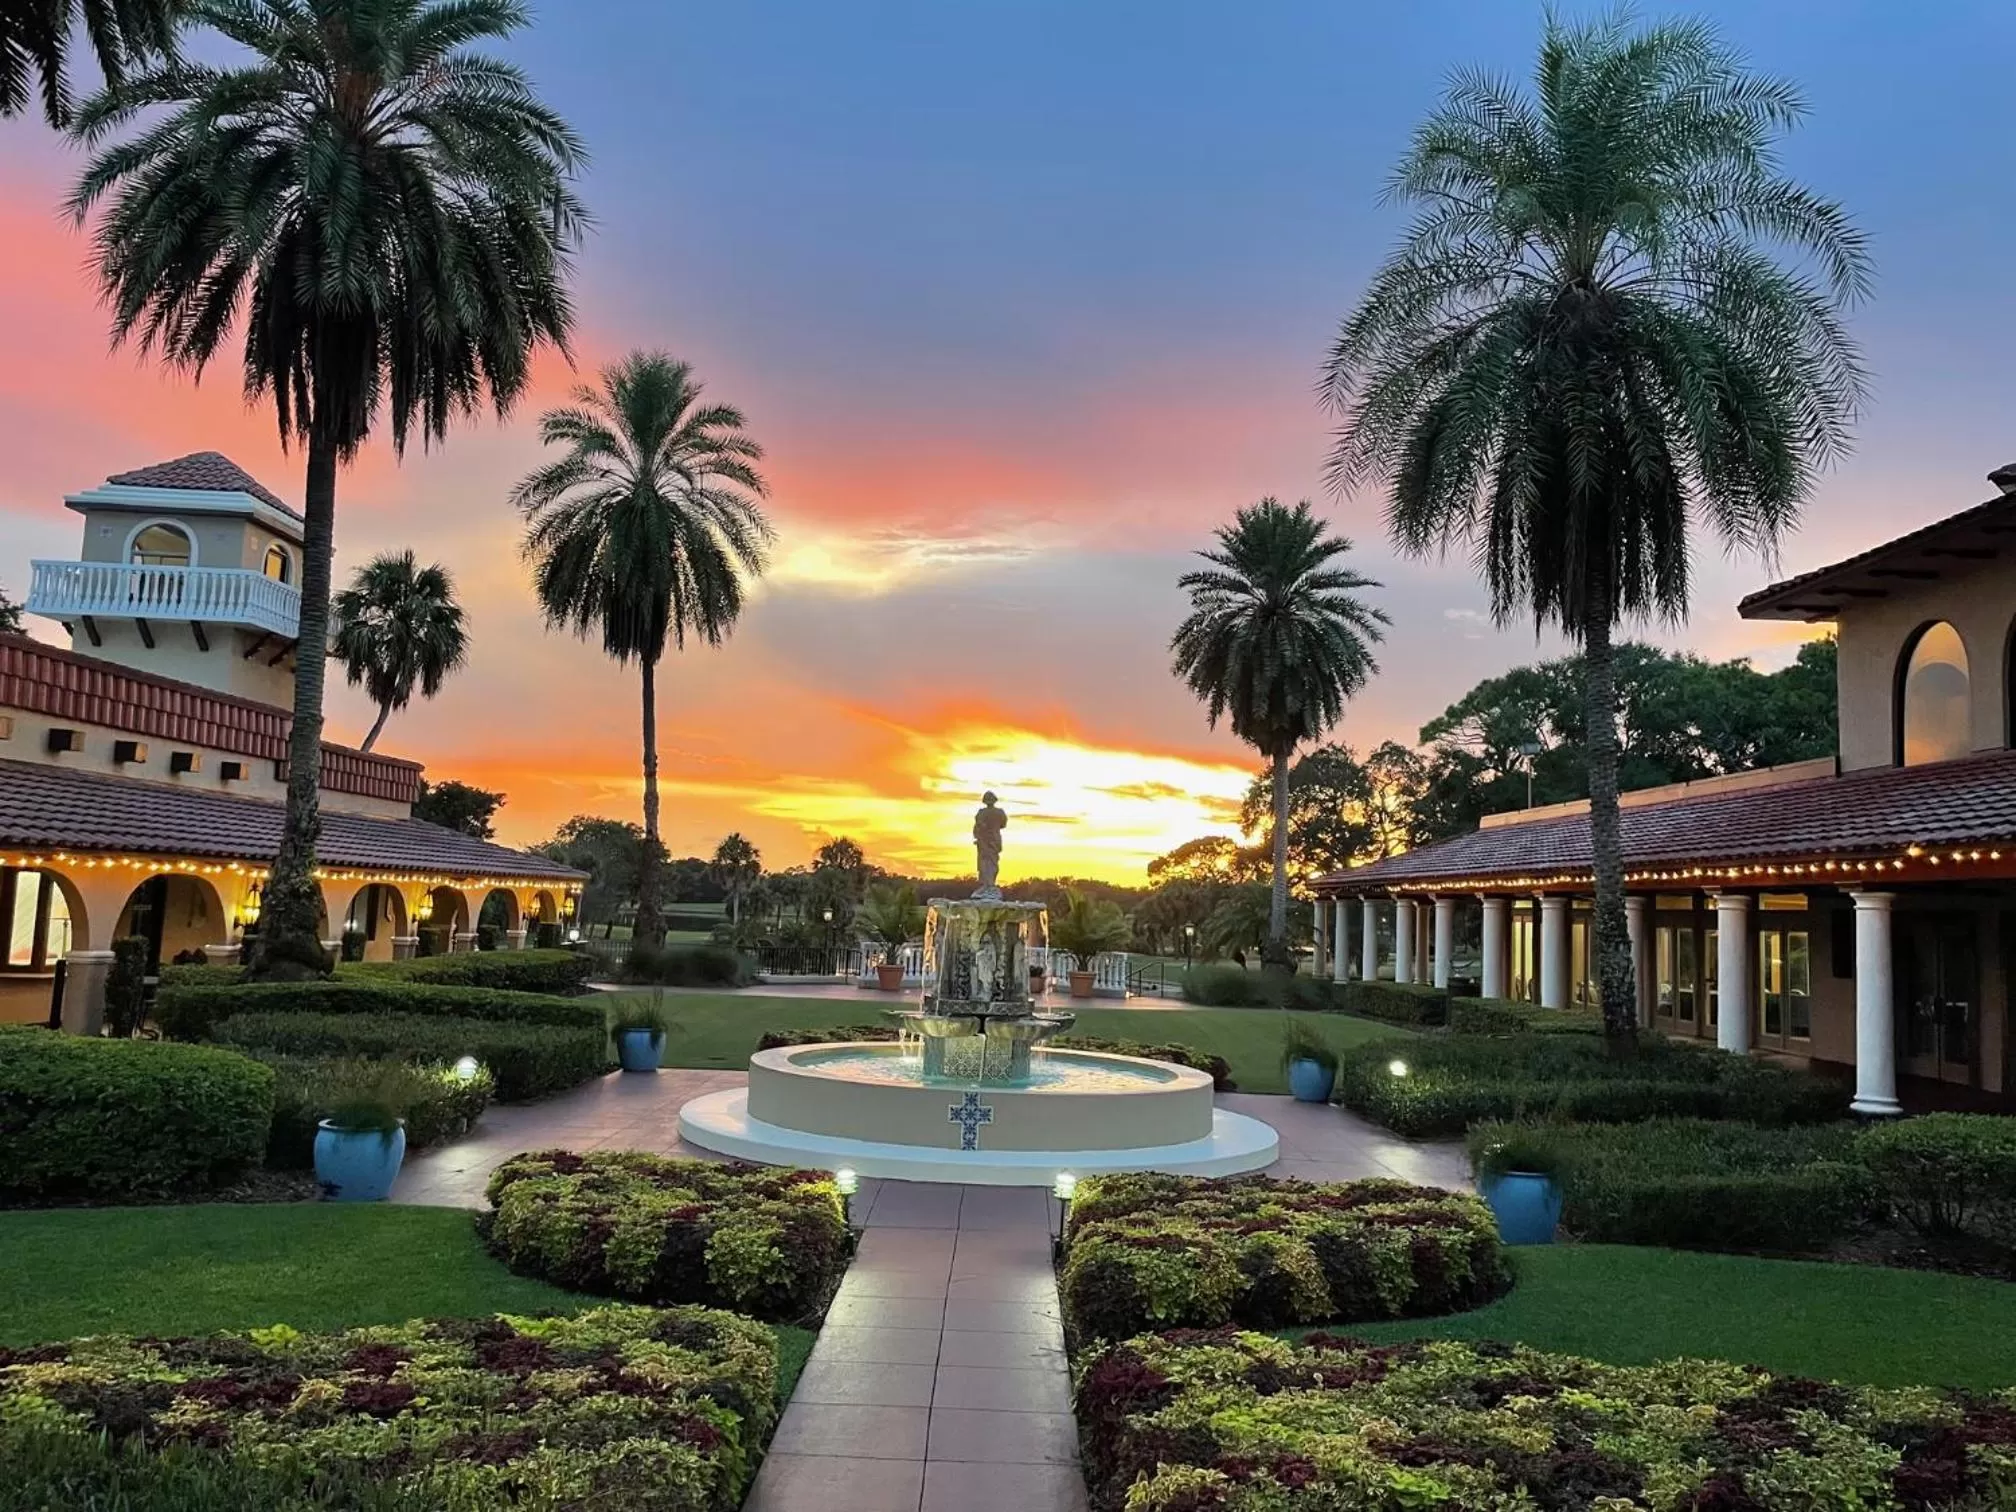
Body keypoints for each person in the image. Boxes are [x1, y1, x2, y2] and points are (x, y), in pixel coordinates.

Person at [973, 791, 1007, 895]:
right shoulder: (999, 812)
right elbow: (1003, 824)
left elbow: (978, 826)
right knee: (990, 862)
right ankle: (988, 884)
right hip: (990, 840)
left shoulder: (982, 813)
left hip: (986, 840)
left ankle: (988, 884)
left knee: (987, 862)